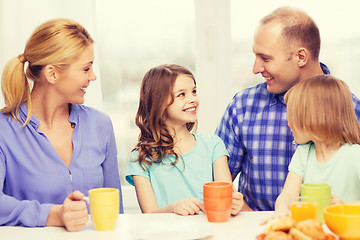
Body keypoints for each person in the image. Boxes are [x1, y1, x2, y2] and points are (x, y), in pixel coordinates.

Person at [215, 6, 360, 211]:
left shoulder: (350, 109)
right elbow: (215, 184)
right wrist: (247, 217)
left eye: (265, 58)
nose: (255, 69)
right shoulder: (242, 106)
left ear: (300, 57)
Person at [0, 18, 123, 231]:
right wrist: (52, 214)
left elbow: (115, 210)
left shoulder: (100, 124)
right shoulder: (4, 130)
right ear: (52, 73)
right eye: (86, 68)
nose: (93, 77)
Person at [126, 64, 243, 215]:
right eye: (182, 94)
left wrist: (233, 203)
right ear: (158, 103)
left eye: (194, 91)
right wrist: (173, 208)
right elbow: (150, 215)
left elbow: (226, 195)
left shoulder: (214, 146)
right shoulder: (141, 158)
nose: (193, 99)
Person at [274, 74, 360, 216]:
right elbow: (288, 195)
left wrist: (345, 206)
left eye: (294, 116)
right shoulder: (303, 153)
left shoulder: (354, 154)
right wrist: (282, 209)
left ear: (314, 117)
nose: (289, 123)